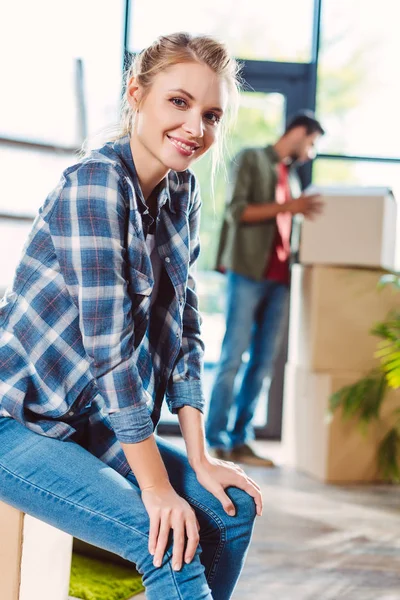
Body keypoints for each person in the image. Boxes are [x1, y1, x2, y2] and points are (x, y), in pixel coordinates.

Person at [0, 33, 262, 600]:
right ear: (136, 94)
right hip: (14, 422)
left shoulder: (180, 193)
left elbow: (185, 331)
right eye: (179, 103)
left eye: (211, 114)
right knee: (164, 539)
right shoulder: (94, 184)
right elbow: (110, 353)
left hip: (86, 423)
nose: (197, 127)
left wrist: (199, 457)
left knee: (229, 509)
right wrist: (157, 490)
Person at [206, 111, 325, 466]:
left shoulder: (294, 178)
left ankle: (241, 439)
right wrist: (290, 207)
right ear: (300, 132)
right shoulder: (252, 158)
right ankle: (215, 439)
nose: (312, 152)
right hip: (247, 271)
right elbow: (237, 212)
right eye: (313, 143)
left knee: (262, 364)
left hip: (280, 279)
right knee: (233, 356)